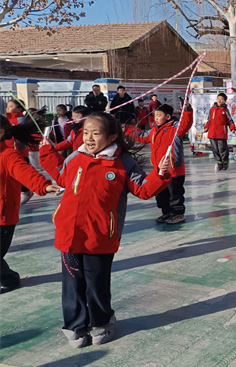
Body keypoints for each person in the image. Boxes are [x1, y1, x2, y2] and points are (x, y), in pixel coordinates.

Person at [40, 112, 172, 348]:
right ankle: (75, 327)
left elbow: (143, 190)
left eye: (96, 133)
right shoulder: (74, 158)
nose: (89, 138)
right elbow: (61, 178)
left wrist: (160, 174)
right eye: (86, 132)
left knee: (96, 282)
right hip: (69, 234)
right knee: (72, 284)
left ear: (112, 137)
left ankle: (100, 324)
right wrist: (47, 153)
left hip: (100, 236)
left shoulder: (122, 163)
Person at [0, 116, 61, 293]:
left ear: (1, 132)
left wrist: (44, 185)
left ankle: (9, 278)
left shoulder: (8, 155)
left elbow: (26, 172)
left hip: (3, 216)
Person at [127, 102, 193, 224]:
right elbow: (141, 135)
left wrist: (187, 110)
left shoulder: (175, 129)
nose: (156, 118)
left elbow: (186, 123)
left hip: (174, 170)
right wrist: (126, 129)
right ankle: (166, 212)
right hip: (159, 170)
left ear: (168, 116)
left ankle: (177, 214)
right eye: (155, 116)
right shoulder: (154, 131)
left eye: (159, 115)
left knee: (175, 194)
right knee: (161, 193)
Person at [204, 93, 236, 172]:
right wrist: (206, 127)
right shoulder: (212, 109)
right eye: (218, 98)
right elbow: (209, 120)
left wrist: (232, 128)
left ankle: (225, 162)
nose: (219, 100)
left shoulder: (225, 110)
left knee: (222, 149)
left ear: (225, 101)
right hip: (212, 133)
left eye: (222, 99)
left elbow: (230, 120)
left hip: (221, 133)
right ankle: (219, 162)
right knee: (215, 149)